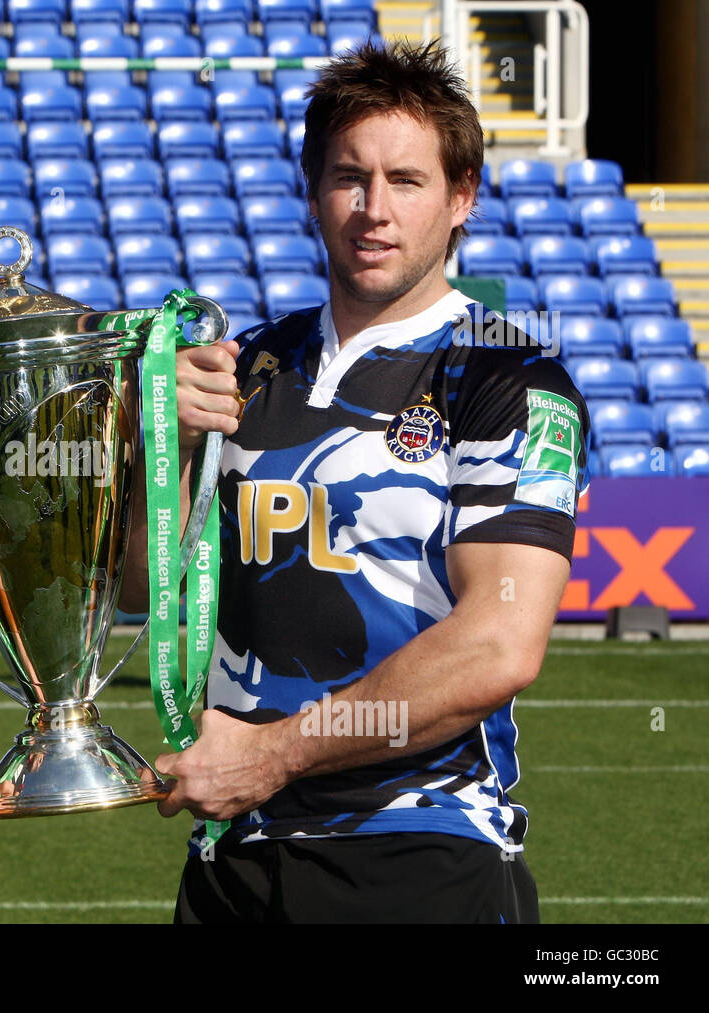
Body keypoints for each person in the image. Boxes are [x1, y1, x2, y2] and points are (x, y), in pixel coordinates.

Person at [136, 40, 590, 922]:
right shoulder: (244, 366)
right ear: (313, 191)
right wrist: (163, 453)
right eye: (349, 177)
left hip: (421, 850)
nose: (373, 210)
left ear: (462, 199)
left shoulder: (510, 378)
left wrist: (275, 754)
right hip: (235, 854)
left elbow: (499, 643)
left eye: (407, 181)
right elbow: (135, 588)